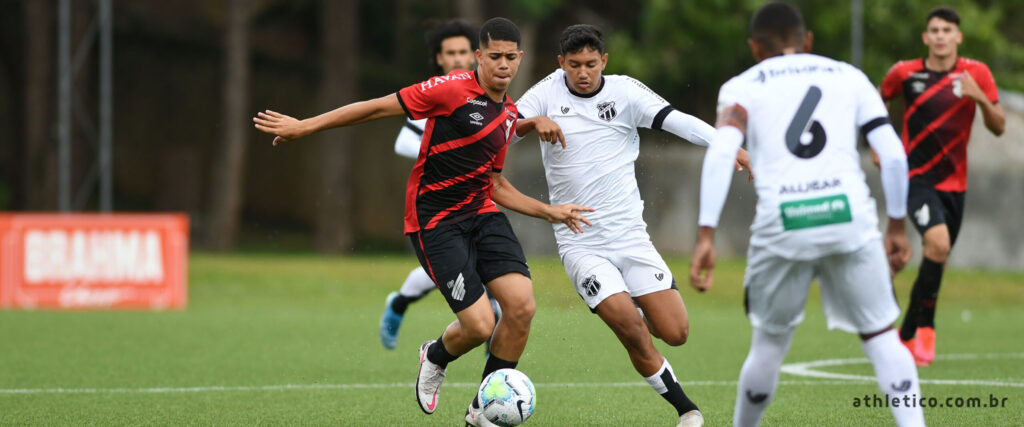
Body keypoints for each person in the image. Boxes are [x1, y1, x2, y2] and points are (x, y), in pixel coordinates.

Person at [253, 17, 593, 426]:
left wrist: (549, 212)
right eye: (494, 56)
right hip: (436, 221)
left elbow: (495, 184)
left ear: (520, 59)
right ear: (478, 57)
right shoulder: (450, 89)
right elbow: (376, 107)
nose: (503, 64)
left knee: (521, 308)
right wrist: (304, 126)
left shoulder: (507, 115)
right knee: (481, 325)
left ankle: (481, 413)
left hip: (481, 214)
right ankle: (435, 355)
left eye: (510, 57)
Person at [689, 2, 925, 426]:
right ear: (808, 40)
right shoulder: (849, 77)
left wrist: (706, 234)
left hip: (784, 224)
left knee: (769, 346)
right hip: (849, 218)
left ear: (754, 47)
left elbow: (723, 151)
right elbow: (891, 153)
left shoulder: (742, 86)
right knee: (881, 337)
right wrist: (896, 227)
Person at [514, 24, 750, 427]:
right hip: (581, 243)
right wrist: (532, 122)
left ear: (604, 60)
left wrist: (728, 147)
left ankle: (630, 302)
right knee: (631, 329)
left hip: (630, 237)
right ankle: (687, 410)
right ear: (561, 64)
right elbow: (501, 128)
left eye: (591, 64)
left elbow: (682, 122)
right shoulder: (545, 93)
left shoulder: (625, 91)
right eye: (574, 65)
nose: (583, 72)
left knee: (675, 333)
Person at [879, 6, 1005, 367]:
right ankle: (924, 331)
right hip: (914, 179)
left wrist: (978, 96)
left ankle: (904, 334)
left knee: (938, 256)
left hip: (956, 185)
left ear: (958, 36)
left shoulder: (976, 73)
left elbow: (998, 127)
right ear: (925, 37)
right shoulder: (905, 72)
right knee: (938, 243)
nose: (940, 35)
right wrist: (878, 144)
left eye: (947, 29)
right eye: (934, 29)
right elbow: (874, 102)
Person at [379, 20, 503, 353]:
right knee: (459, 274)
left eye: (464, 51)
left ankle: (490, 343)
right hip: (435, 207)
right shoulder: (433, 93)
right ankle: (403, 303)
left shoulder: (487, 93)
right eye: (451, 53)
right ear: (439, 58)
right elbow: (403, 143)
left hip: (475, 202)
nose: (458, 59)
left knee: (477, 273)